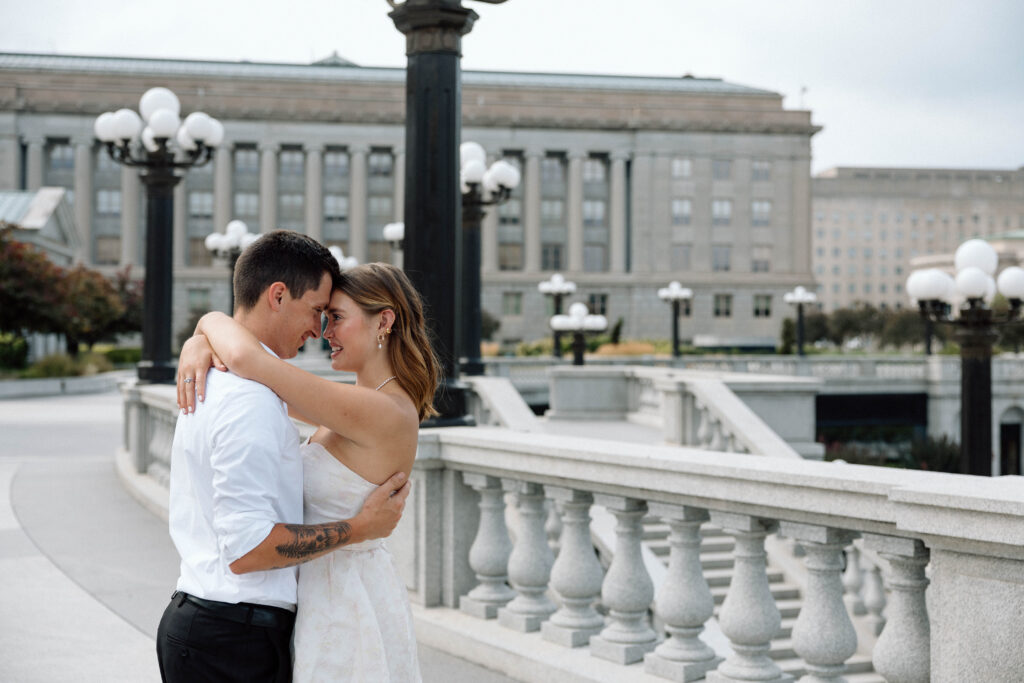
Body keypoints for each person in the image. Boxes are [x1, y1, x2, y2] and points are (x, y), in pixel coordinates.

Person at [157, 231, 412, 683]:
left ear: (384, 322)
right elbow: (248, 366)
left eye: (335, 317)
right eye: (320, 313)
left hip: (342, 608)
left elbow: (248, 359)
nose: (322, 331)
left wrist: (207, 326)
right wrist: (203, 336)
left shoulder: (379, 410)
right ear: (278, 295)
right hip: (264, 618)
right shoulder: (293, 402)